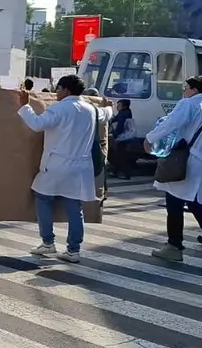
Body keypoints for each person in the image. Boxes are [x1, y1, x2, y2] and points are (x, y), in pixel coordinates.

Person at [17, 74, 112, 263]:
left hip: (57, 164)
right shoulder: (91, 110)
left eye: (58, 89)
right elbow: (107, 114)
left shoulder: (59, 109)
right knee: (75, 208)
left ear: (66, 90)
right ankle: (73, 250)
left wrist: (25, 105)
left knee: (42, 197)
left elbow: (36, 125)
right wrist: (108, 105)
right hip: (81, 167)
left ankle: (48, 242)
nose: (56, 92)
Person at [144, 76, 202, 264]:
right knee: (195, 203)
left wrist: (149, 138)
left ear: (194, 90)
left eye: (186, 88)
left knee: (174, 203)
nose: (184, 92)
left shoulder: (188, 104)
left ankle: (174, 246)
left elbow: (171, 123)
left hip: (189, 163)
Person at [107, 99, 138, 179]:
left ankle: (125, 173)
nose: (117, 107)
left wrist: (114, 136)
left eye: (119, 105)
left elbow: (119, 127)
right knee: (118, 155)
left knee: (120, 156)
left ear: (124, 106)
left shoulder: (123, 114)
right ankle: (116, 171)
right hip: (126, 138)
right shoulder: (125, 112)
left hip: (124, 138)